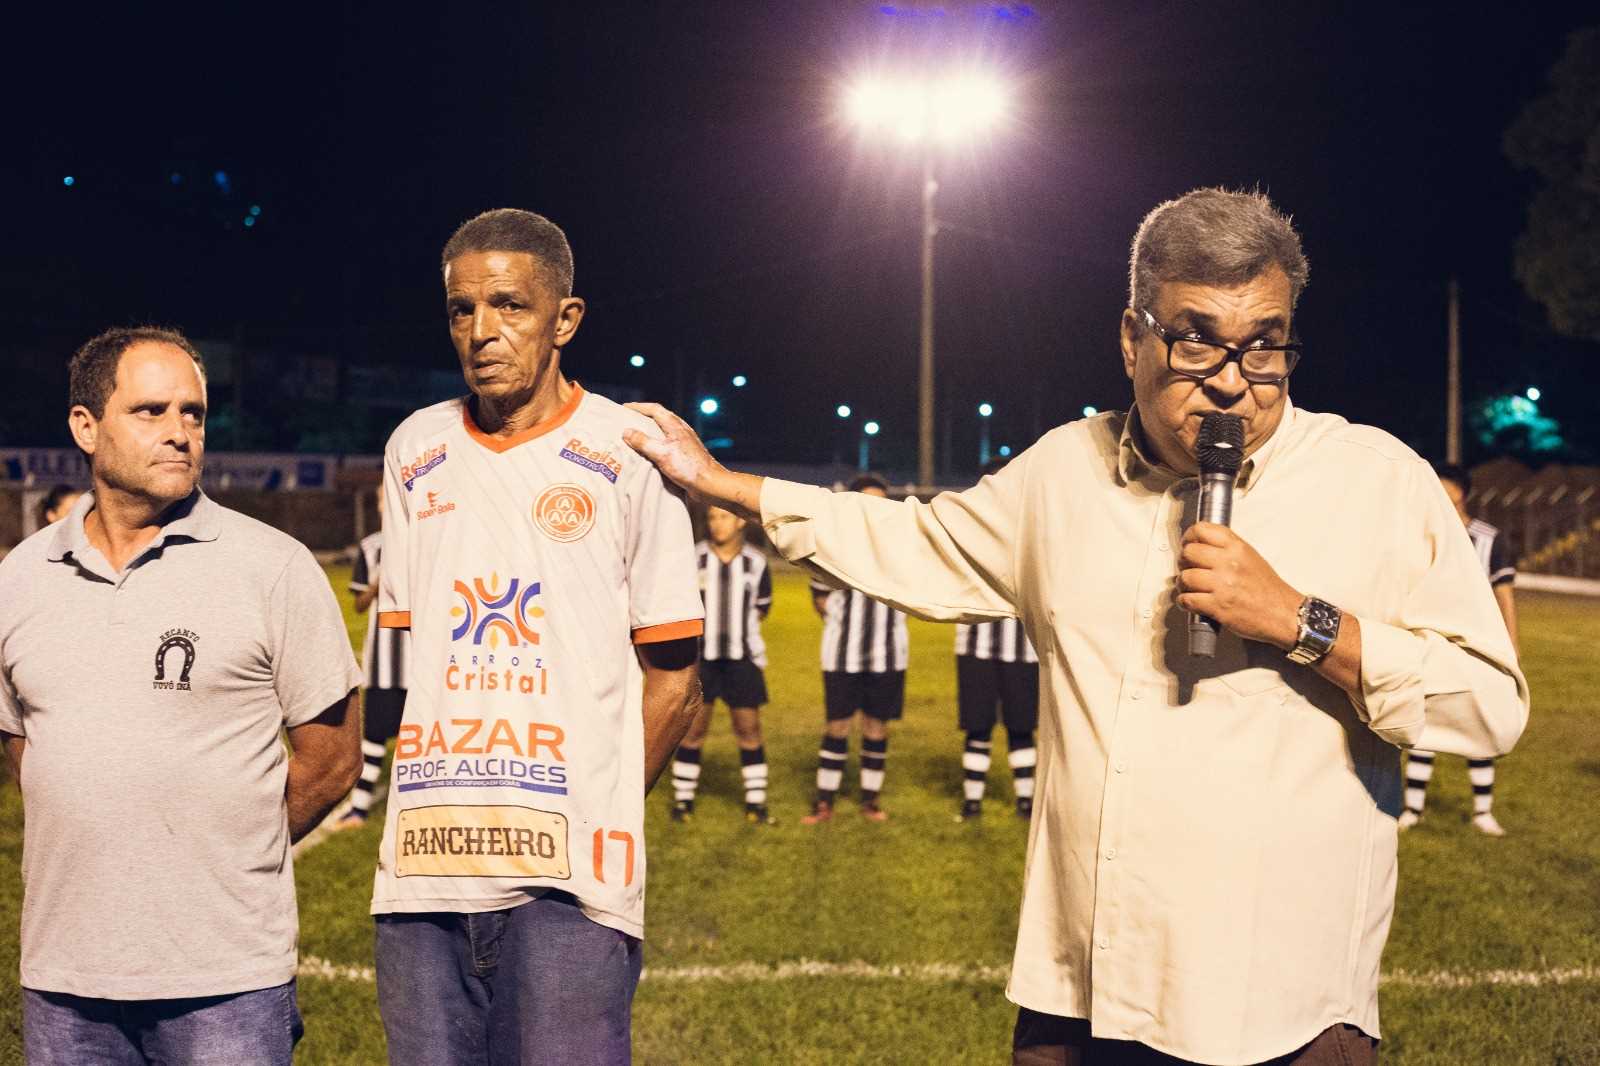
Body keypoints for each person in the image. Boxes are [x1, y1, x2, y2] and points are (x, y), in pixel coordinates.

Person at [624, 188, 1528, 1065]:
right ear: (1132, 337)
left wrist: (1304, 621)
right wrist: (722, 484)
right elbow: (913, 539)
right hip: (1081, 992)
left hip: (1284, 1007)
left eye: (1263, 349)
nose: (1232, 382)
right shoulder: (1063, 472)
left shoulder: (1378, 481)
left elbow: (1490, 705)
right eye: (1197, 341)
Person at [370, 208, 703, 1066]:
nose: (482, 332)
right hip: (424, 870)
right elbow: (420, 663)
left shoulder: (629, 451)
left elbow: (675, 681)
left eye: (510, 306)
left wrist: (598, 810)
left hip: (570, 886)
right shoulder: (414, 450)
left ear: (565, 319)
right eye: (461, 310)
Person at [0, 326, 362, 1065]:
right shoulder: (20, 577)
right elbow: (24, 751)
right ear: (85, 426)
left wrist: (224, 848)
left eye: (193, 414)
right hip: (66, 980)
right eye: (152, 411)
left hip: (228, 981)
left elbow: (332, 760)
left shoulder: (274, 567)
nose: (180, 433)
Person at [1399, 462, 1520, 836]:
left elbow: (1504, 594)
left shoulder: (1487, 539)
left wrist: (1511, 644)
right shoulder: (1420, 534)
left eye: (1443, 489)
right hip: (1432, 640)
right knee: (1426, 720)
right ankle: (1411, 809)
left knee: (1478, 721)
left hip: (1476, 645)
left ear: (1460, 494)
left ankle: (1483, 811)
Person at [802, 474, 909, 825]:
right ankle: (824, 802)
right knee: (837, 725)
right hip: (841, 655)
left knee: (877, 727)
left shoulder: (900, 549)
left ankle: (870, 801)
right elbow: (819, 597)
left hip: (888, 653)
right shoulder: (834, 546)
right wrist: (842, 624)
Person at [670, 504, 776, 824]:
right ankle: (682, 802)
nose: (717, 524)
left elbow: (761, 608)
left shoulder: (756, 563)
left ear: (740, 521)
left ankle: (756, 803)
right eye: (712, 517)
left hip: (741, 660)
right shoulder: (693, 558)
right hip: (701, 661)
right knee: (693, 731)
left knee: (749, 729)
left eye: (724, 517)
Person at [953, 457, 1039, 822]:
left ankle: (1025, 800)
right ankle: (972, 800)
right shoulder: (966, 529)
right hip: (976, 646)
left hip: (1024, 649)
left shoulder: (1037, 530)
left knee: (1022, 725)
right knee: (978, 724)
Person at [332, 486, 411, 831]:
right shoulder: (370, 547)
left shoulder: (431, 537)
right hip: (384, 661)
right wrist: (378, 584)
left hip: (426, 660)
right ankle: (359, 809)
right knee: (375, 735)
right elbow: (360, 604)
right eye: (382, 498)